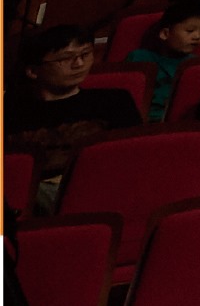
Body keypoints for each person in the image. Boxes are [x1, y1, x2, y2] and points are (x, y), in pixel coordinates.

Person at [8, 26, 141, 210]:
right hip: (26, 194)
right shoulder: (11, 110)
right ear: (33, 71)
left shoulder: (114, 101)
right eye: (65, 58)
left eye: (85, 54)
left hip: (96, 188)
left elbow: (130, 158)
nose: (79, 64)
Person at [122, 4, 200, 120]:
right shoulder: (140, 58)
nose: (197, 36)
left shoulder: (196, 64)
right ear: (165, 33)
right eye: (190, 31)